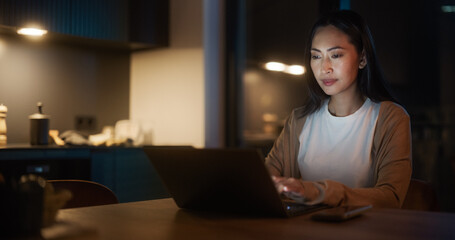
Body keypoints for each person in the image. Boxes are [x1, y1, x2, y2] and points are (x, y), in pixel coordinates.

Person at [266, 10, 412, 208]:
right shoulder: (299, 119)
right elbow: (266, 179)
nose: (324, 67)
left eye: (335, 55)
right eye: (316, 56)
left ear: (362, 59)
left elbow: (391, 198)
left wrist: (319, 192)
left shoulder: (391, 118)